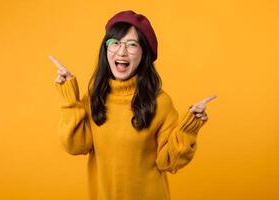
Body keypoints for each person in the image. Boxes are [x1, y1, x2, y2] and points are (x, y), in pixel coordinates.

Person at [49, 10, 216, 200]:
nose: (122, 51)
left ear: (144, 53)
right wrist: (69, 97)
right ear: (106, 50)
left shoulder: (160, 102)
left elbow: (168, 162)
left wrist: (189, 127)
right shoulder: (95, 97)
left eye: (132, 44)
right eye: (115, 43)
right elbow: (75, 146)